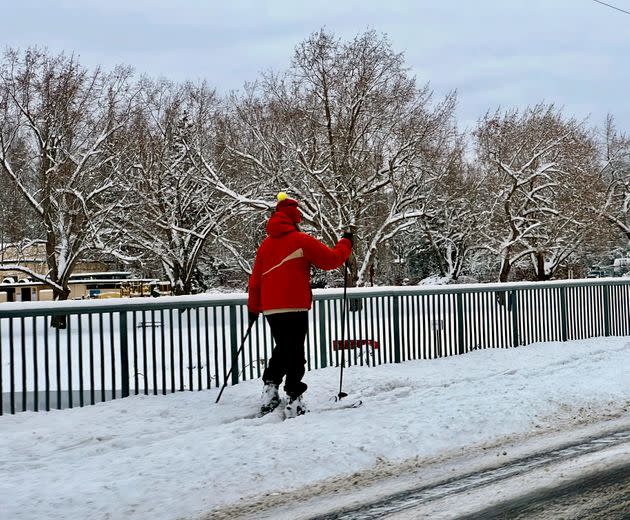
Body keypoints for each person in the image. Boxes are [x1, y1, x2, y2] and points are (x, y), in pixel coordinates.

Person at [248, 192, 353, 418]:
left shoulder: (265, 245)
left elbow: (255, 279)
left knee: (284, 348)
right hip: (294, 306)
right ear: (295, 217)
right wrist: (346, 243)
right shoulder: (300, 240)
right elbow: (331, 260)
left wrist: (253, 308)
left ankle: (271, 387)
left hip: (271, 309)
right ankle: (294, 398)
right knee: (295, 352)